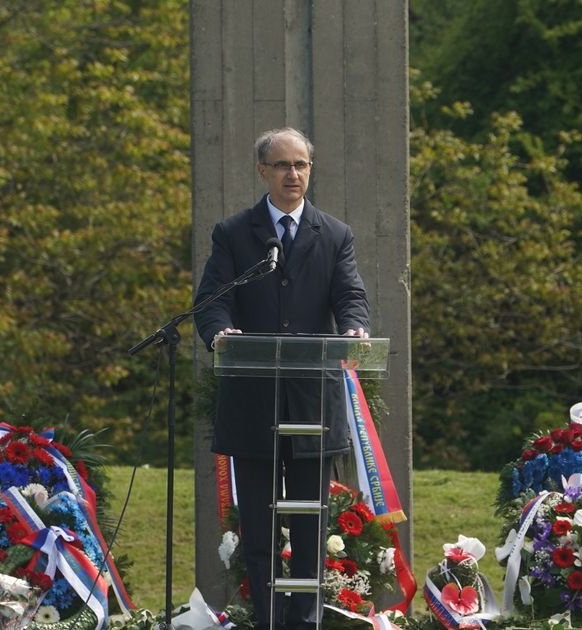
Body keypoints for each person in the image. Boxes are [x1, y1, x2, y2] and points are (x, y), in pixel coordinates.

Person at [194, 127, 370, 629]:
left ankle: (306, 620)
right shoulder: (233, 233)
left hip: (312, 403)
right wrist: (218, 331)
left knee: (311, 521)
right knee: (258, 524)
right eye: (283, 165)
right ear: (262, 171)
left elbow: (350, 295)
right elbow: (212, 301)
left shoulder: (335, 234)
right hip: (253, 401)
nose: (293, 174)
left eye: (302, 165)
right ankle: (268, 618)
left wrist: (356, 325)